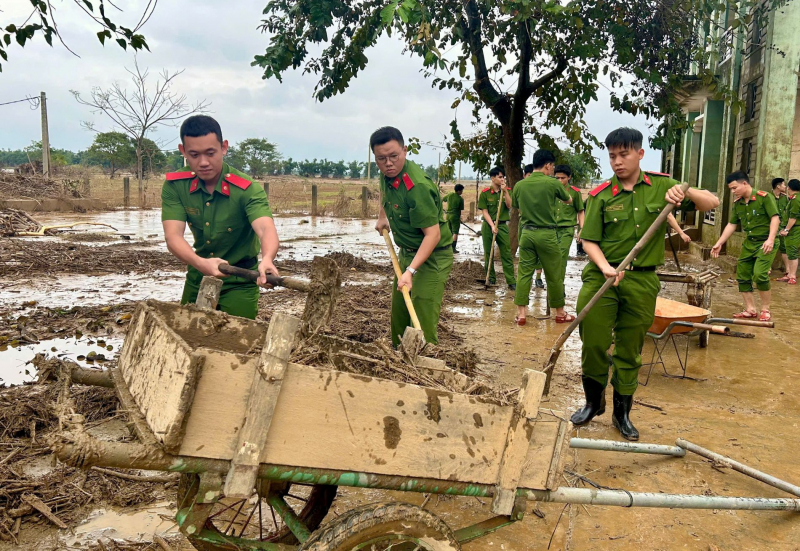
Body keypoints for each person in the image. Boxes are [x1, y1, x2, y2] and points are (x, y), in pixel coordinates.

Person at [571, 128, 718, 441]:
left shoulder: (663, 185)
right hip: (603, 278)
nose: (617, 162)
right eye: (612, 156)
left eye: (624, 154)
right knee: (594, 340)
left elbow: (712, 202)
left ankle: (621, 411)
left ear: (640, 153)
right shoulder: (600, 196)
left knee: (630, 347)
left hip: (641, 280)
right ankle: (592, 400)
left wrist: (686, 193)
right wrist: (606, 267)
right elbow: (588, 241)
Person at [161, 115, 279, 319]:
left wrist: (267, 258)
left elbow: (265, 228)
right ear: (183, 152)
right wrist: (200, 264)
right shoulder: (175, 186)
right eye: (194, 155)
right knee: (188, 338)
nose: (203, 162)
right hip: (198, 275)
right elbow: (173, 237)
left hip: (240, 280)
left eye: (210, 153)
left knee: (238, 341)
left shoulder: (247, 189)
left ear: (224, 147)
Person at [372, 126, 454, 347]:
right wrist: (383, 216)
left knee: (421, 319)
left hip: (432, 257)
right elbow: (385, 189)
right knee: (399, 316)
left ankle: (425, 369)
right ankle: (399, 363)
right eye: (381, 159)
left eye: (393, 157)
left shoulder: (416, 187)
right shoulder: (386, 173)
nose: (388, 163)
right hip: (407, 253)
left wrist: (410, 271)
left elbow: (433, 235)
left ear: (405, 151)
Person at [512, 149, 574, 325]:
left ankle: (521, 314)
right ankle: (560, 313)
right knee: (553, 273)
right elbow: (568, 200)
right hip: (547, 233)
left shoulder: (519, 185)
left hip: (527, 233)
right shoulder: (553, 183)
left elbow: (515, 207)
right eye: (552, 166)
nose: (553, 170)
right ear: (547, 165)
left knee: (524, 273)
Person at [711, 171, 779, 321]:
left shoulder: (764, 197)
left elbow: (775, 218)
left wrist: (771, 239)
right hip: (749, 243)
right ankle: (750, 309)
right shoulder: (739, 203)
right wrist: (719, 242)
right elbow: (732, 224)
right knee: (742, 275)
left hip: (765, 242)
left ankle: (765, 309)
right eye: (731, 189)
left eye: (734, 188)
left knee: (760, 274)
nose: (733, 191)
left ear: (744, 183)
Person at [478, 167, 516, 289]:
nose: (502, 179)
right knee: (489, 253)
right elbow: (485, 212)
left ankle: (511, 281)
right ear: (492, 178)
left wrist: (505, 192)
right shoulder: (485, 193)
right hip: (489, 225)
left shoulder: (506, 191)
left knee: (506, 253)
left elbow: (509, 206)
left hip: (502, 225)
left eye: (503, 177)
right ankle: (491, 278)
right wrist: (492, 225)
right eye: (500, 177)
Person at [553, 164, 585, 301]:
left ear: (569, 177)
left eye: (563, 178)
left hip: (566, 229)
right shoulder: (550, 190)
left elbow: (580, 211)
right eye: (557, 178)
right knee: (551, 259)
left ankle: (558, 287)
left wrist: (581, 230)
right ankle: (552, 284)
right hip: (550, 229)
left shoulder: (575, 192)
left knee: (561, 257)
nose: (560, 181)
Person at [523, 163, 546, 288]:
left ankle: (538, 277)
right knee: (526, 256)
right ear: (524, 176)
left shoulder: (542, 189)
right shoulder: (521, 188)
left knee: (539, 254)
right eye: (529, 175)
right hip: (525, 226)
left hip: (540, 227)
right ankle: (525, 282)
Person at [779, 179, 800, 284]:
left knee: (792, 251)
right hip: (794, 228)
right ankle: (790, 274)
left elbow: (793, 217)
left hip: (794, 229)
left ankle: (792, 275)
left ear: (789, 188)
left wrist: (786, 229)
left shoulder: (796, 200)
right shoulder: (794, 199)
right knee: (790, 251)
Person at [771, 178, 791, 279]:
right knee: (768, 246)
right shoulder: (768, 197)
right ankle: (766, 268)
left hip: (782, 227)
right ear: (778, 186)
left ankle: (788, 270)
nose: (785, 187)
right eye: (783, 185)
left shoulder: (785, 198)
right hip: (770, 227)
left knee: (784, 248)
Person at [444, 184, 465, 253]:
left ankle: (447, 247)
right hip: (455, 216)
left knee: (449, 231)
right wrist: (459, 218)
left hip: (448, 216)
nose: (462, 192)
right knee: (455, 232)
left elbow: (444, 199)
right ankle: (453, 248)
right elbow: (460, 210)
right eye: (461, 190)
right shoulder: (460, 199)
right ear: (458, 191)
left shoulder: (450, 195)